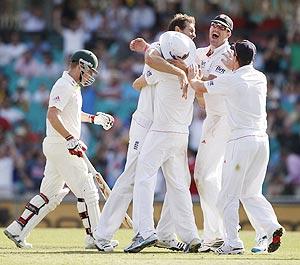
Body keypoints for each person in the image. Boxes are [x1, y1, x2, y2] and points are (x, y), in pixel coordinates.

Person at [93, 13, 197, 253]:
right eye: (190, 31)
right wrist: (174, 70)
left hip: (162, 127)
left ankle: (164, 234)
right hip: (146, 125)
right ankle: (106, 234)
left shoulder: (178, 53)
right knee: (132, 177)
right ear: (177, 31)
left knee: (177, 181)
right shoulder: (160, 53)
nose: (193, 35)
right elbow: (139, 81)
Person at [4, 49, 115, 249]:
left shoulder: (72, 86)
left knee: (50, 195)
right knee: (88, 190)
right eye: (90, 71)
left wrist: (92, 119)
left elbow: (70, 113)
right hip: (63, 145)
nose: (90, 76)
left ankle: (17, 229)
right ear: (80, 65)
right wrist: (70, 138)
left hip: (58, 145)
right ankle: (96, 238)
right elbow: (52, 115)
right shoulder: (63, 85)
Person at [187, 40, 284, 254]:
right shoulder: (260, 77)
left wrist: (193, 75)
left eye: (231, 53)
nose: (228, 56)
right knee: (251, 193)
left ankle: (233, 242)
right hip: (262, 141)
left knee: (227, 196)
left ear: (237, 59)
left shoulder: (230, 80)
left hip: (241, 142)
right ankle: (272, 227)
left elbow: (199, 87)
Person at [125, 31, 201, 253]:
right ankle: (191, 236)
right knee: (178, 186)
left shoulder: (161, 71)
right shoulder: (194, 71)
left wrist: (173, 68)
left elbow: (145, 68)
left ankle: (144, 232)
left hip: (161, 131)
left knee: (144, 177)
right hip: (181, 135)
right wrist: (183, 70)